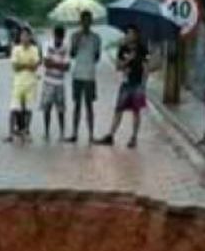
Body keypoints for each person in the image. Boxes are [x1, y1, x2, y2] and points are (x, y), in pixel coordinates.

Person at [97, 24, 148, 149]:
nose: (130, 36)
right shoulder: (123, 49)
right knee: (118, 110)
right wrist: (128, 60)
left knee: (136, 111)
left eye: (132, 33)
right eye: (128, 33)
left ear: (137, 35)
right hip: (126, 83)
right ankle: (110, 135)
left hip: (137, 84)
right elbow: (118, 66)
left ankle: (134, 138)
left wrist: (144, 84)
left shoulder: (142, 48)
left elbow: (147, 67)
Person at [65, 11, 102, 144]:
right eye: (83, 21)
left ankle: (91, 134)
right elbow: (72, 54)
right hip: (78, 74)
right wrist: (77, 42)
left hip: (90, 75)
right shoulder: (74, 36)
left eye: (88, 20)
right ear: (80, 22)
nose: (86, 23)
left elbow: (97, 57)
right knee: (77, 105)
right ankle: (74, 133)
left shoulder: (96, 38)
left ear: (91, 22)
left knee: (89, 105)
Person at [6, 27, 42, 143]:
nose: (24, 38)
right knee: (14, 108)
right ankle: (11, 133)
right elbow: (15, 67)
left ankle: (25, 131)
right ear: (20, 37)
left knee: (28, 109)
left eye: (27, 36)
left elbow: (35, 66)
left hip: (31, 82)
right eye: (22, 36)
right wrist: (28, 65)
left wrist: (24, 65)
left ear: (30, 37)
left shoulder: (34, 49)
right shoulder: (16, 49)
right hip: (18, 82)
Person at [41, 25, 70, 141]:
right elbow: (46, 63)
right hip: (48, 81)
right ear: (54, 36)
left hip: (60, 82)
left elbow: (67, 67)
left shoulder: (66, 47)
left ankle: (62, 133)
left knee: (61, 109)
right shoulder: (47, 44)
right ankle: (46, 132)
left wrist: (53, 63)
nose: (59, 40)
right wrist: (59, 64)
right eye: (57, 37)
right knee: (46, 108)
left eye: (61, 38)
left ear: (63, 37)